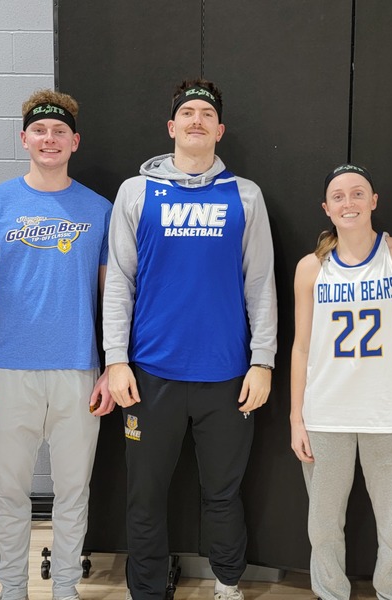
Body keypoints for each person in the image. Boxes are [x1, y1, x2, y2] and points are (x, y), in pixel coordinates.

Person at [103, 78, 278, 600]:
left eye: (206, 113)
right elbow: (119, 280)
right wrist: (116, 359)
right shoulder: (136, 192)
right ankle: (149, 591)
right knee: (145, 497)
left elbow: (260, 282)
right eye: (188, 112)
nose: (196, 119)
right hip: (150, 374)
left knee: (222, 494)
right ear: (171, 127)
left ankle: (227, 584)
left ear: (219, 130)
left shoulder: (245, 194)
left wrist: (263, 360)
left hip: (226, 376)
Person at [0, 89, 114, 600]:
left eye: (59, 131)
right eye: (40, 131)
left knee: (74, 493)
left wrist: (113, 367)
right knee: (10, 495)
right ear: (24, 138)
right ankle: (11, 590)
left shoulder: (99, 209)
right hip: (7, 373)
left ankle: (66, 587)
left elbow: (111, 298)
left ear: (75, 140)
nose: (50, 139)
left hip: (77, 373)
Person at [290, 163, 392, 600]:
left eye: (357, 194)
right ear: (326, 208)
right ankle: (330, 593)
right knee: (323, 525)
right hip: (325, 414)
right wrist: (296, 419)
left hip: (388, 414)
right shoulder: (311, 268)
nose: (347, 202)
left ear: (373, 202)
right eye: (338, 196)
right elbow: (301, 349)